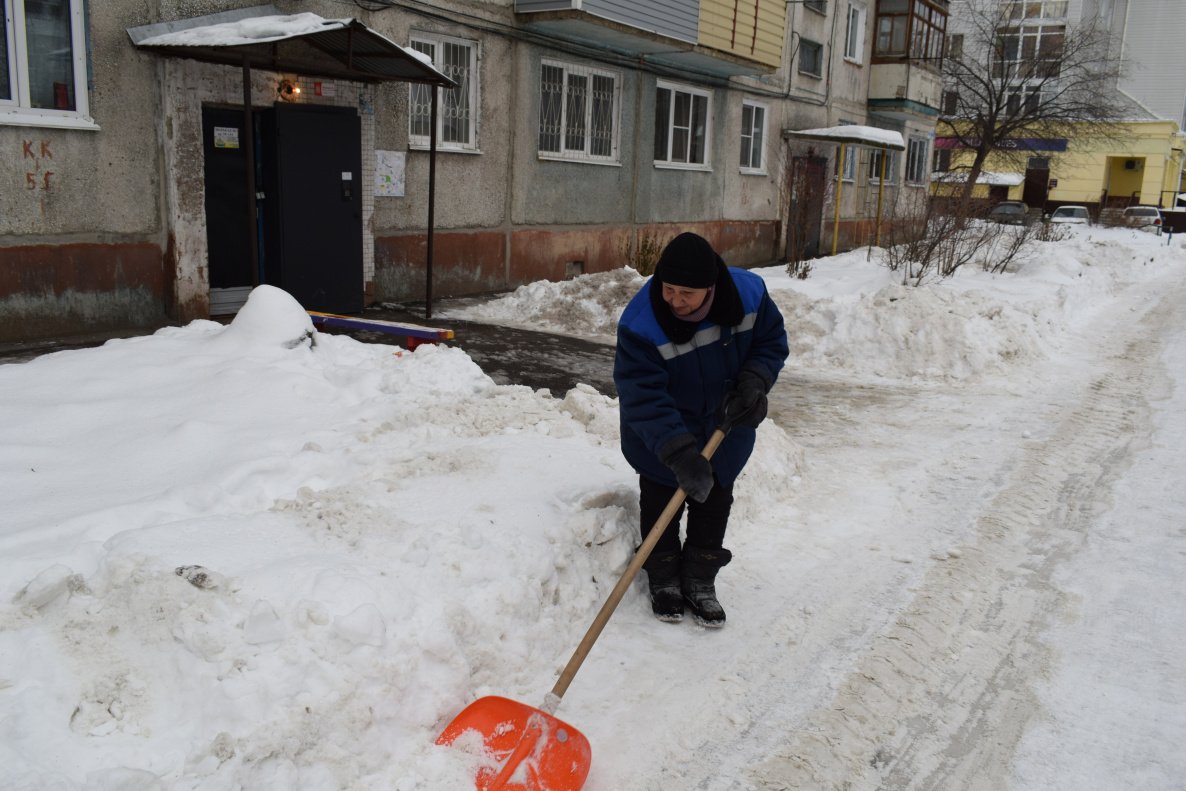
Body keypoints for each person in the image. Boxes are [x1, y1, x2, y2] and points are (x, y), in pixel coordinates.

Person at [614, 232, 788, 627]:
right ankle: (663, 581)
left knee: (713, 505)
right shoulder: (641, 324)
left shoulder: (749, 295)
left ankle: (699, 581)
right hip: (660, 438)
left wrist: (755, 381)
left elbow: (771, 342)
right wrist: (678, 453)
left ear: (711, 286)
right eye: (668, 288)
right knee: (660, 502)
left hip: (723, 430)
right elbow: (642, 397)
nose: (674, 300)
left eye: (686, 293)